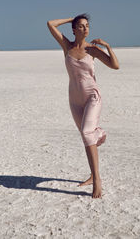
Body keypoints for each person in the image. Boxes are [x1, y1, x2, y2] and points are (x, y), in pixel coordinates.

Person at [47, 14, 119, 198]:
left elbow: (115, 65)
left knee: (87, 133)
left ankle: (97, 181)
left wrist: (108, 47)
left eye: (87, 26)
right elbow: (50, 23)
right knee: (86, 138)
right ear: (73, 29)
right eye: (80, 26)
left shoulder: (92, 50)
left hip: (92, 96)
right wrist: (71, 18)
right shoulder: (67, 46)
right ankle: (92, 173)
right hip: (74, 99)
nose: (85, 29)